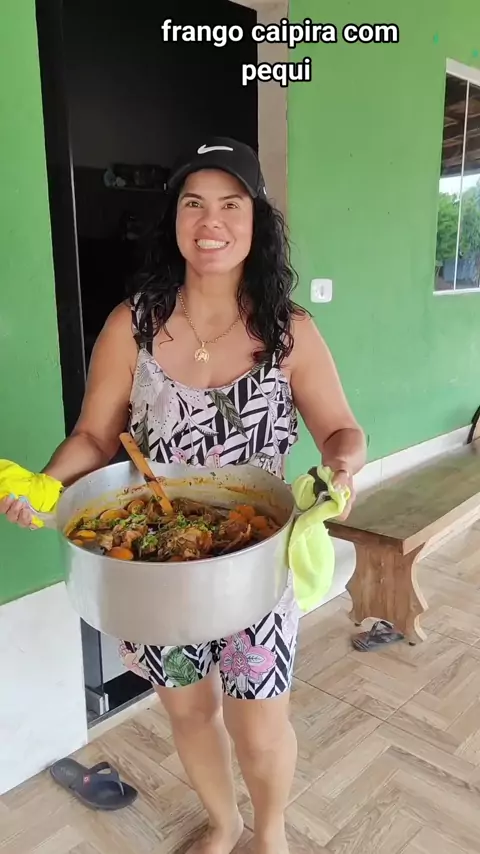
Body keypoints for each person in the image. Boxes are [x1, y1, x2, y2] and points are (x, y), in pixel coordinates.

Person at [0, 137, 366, 854]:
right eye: (193, 203)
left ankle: (271, 835)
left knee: (260, 724)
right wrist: (48, 485)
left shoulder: (288, 331)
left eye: (231, 204)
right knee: (190, 712)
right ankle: (224, 823)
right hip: (154, 572)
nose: (211, 221)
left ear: (256, 220)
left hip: (256, 565)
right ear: (174, 219)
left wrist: (342, 468)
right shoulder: (131, 326)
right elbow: (94, 437)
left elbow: (341, 430)